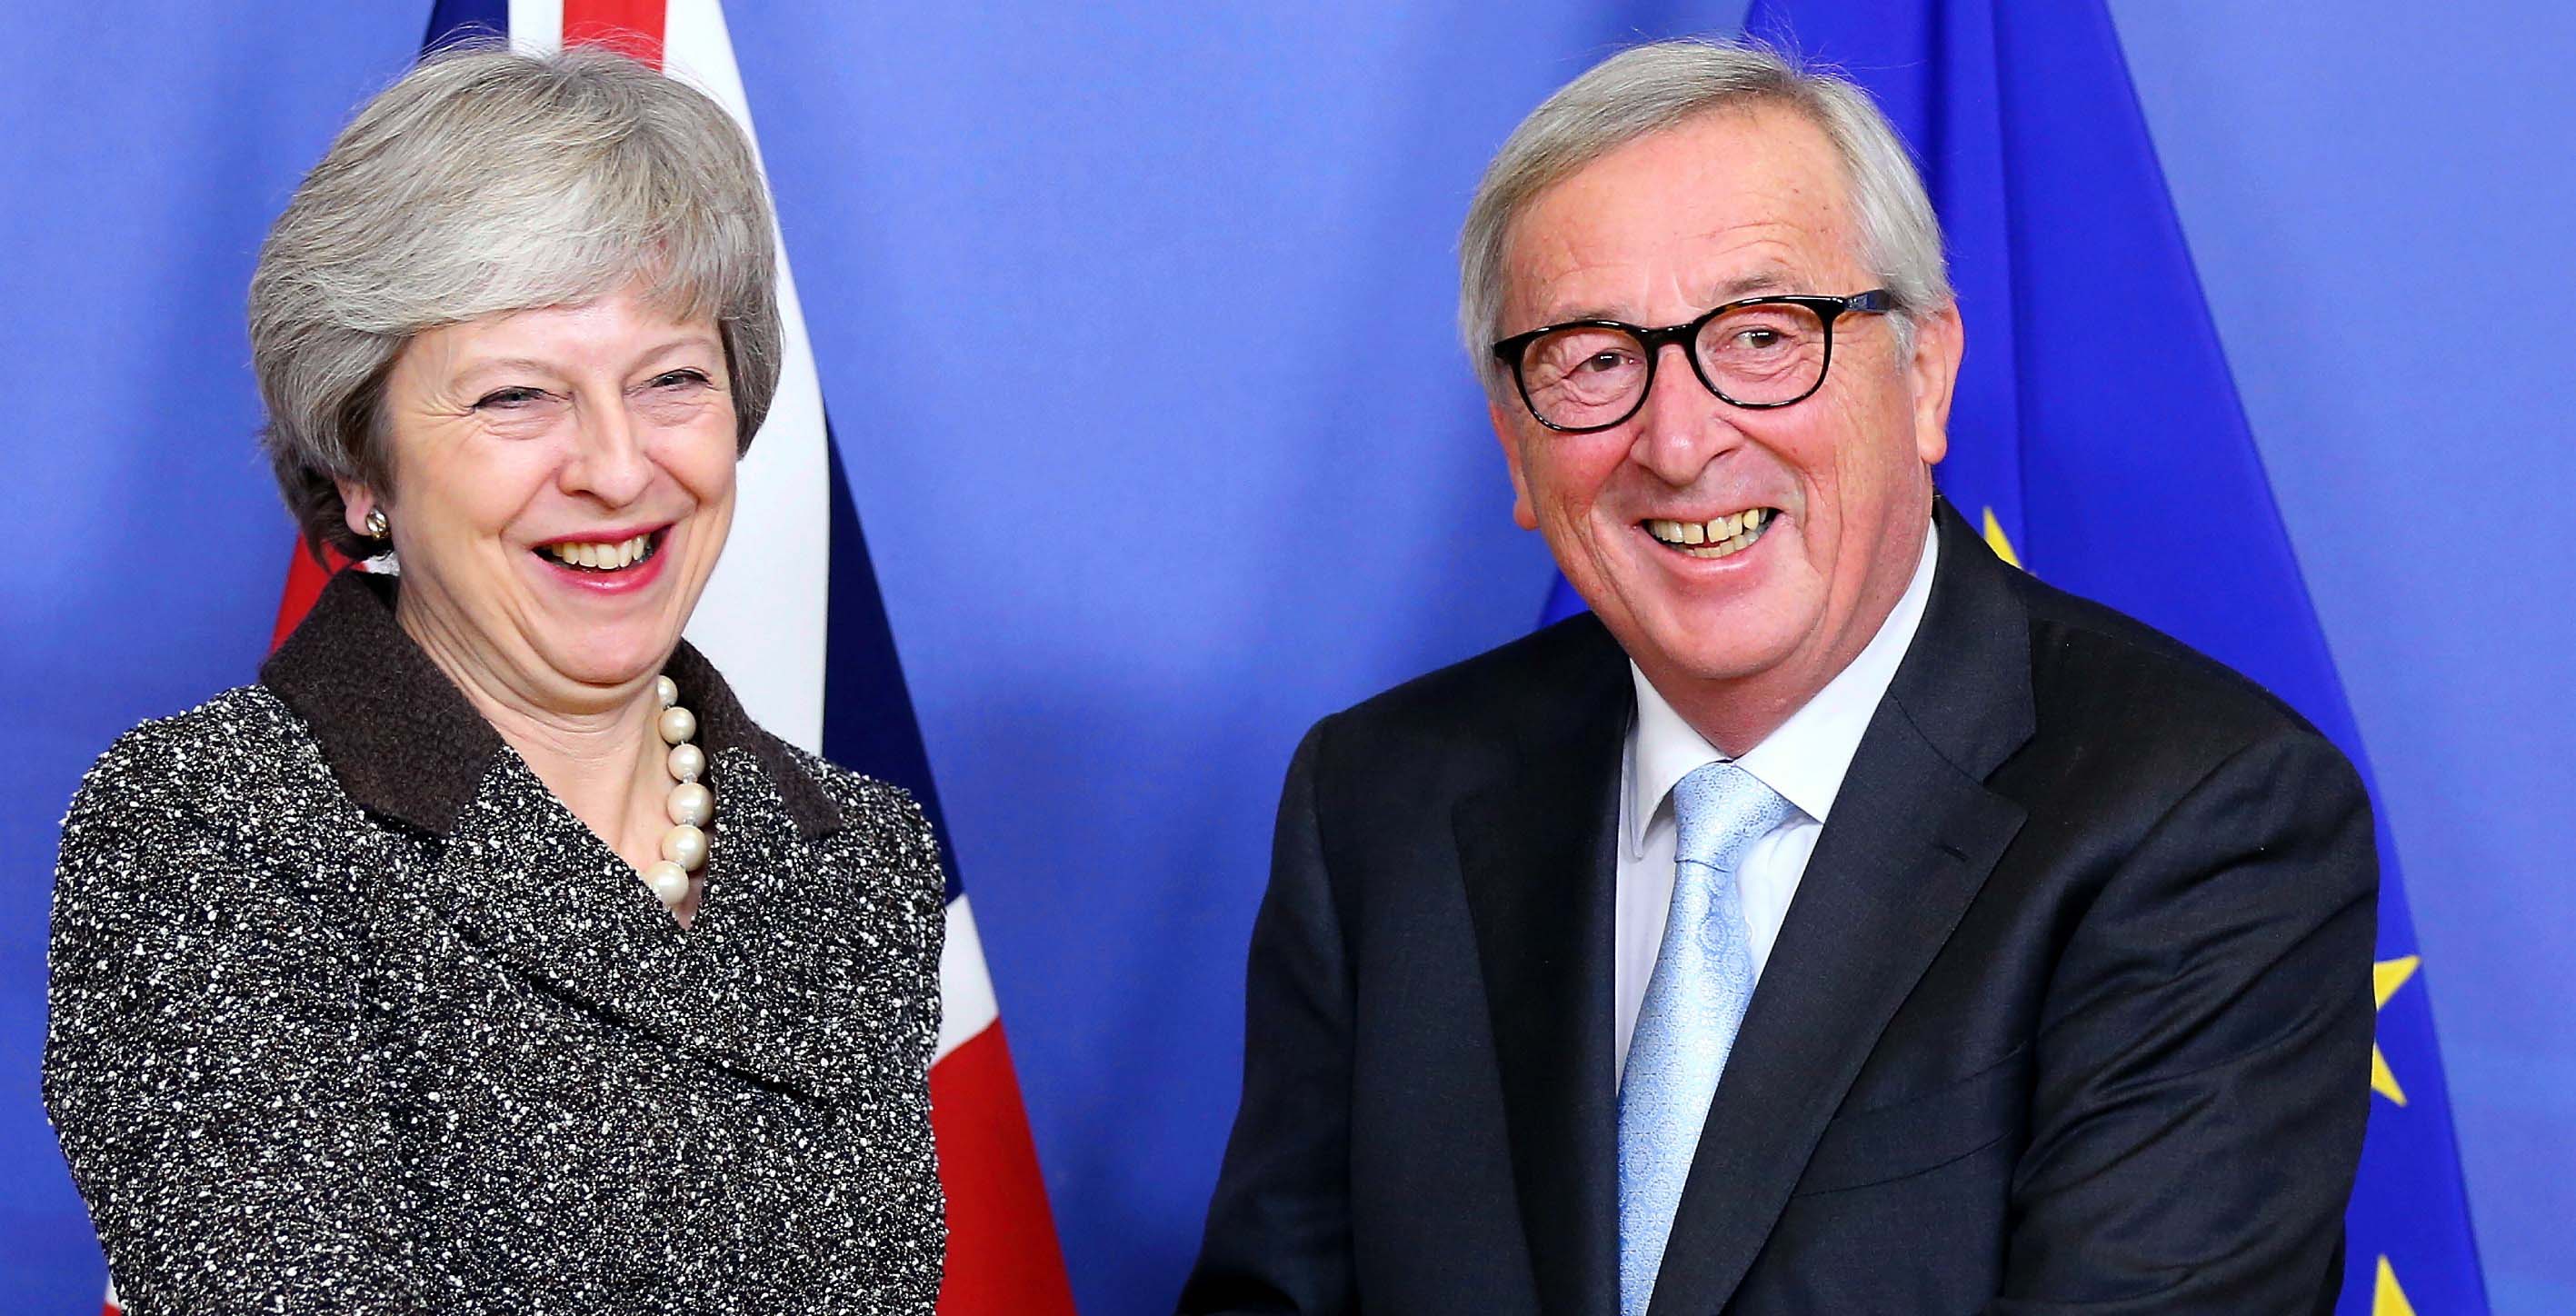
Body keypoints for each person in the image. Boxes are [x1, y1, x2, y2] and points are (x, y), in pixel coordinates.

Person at [1180, 37, 2373, 1316]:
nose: (1680, 440)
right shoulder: (1380, 800)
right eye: (1591, 361)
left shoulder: (2203, 821)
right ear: (1515, 453)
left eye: (1760, 336)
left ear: (1922, 374)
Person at [44, 46, 944, 1314]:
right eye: (519, 397)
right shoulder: (210, 829)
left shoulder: (858, 856)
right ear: (363, 473)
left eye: (670, 379)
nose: (618, 467)